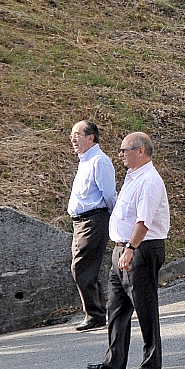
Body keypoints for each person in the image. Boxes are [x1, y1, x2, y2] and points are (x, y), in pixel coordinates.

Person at [88, 132, 167, 369]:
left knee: (144, 306)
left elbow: (143, 221)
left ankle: (151, 361)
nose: (120, 154)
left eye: (125, 150)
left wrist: (131, 249)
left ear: (140, 150)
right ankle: (114, 359)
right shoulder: (133, 177)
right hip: (122, 248)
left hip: (140, 248)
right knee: (116, 305)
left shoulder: (149, 180)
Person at [66, 120, 116, 331]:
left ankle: (95, 314)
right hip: (81, 223)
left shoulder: (99, 161)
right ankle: (97, 312)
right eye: (72, 135)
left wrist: (115, 221)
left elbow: (109, 195)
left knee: (82, 267)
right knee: (86, 268)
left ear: (91, 137)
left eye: (77, 134)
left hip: (94, 220)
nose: (73, 139)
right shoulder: (85, 160)